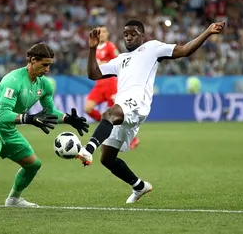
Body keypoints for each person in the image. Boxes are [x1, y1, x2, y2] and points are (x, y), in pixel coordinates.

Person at [77, 19, 225, 203]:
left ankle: (87, 149)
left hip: (137, 103)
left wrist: (208, 32)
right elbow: (93, 74)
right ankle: (139, 186)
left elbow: (185, 50)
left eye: (133, 34)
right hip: (123, 108)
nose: (129, 38)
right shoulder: (120, 59)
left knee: (108, 114)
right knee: (107, 158)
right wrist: (92, 49)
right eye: (126, 34)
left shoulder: (153, 48)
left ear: (142, 35)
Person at [0, 43, 89, 212]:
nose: (47, 69)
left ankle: (13, 199)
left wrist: (68, 119)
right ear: (33, 60)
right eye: (44, 65)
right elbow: (3, 115)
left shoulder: (44, 85)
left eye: (49, 65)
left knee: (34, 165)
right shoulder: (12, 80)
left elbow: (50, 112)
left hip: (9, 130)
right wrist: (30, 118)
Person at [84, 26, 140, 150]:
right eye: (99, 32)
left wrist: (103, 64)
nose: (102, 34)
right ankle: (105, 126)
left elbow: (118, 61)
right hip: (99, 84)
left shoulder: (110, 47)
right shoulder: (94, 48)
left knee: (117, 115)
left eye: (104, 31)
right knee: (88, 108)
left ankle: (133, 138)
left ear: (108, 34)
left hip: (110, 84)